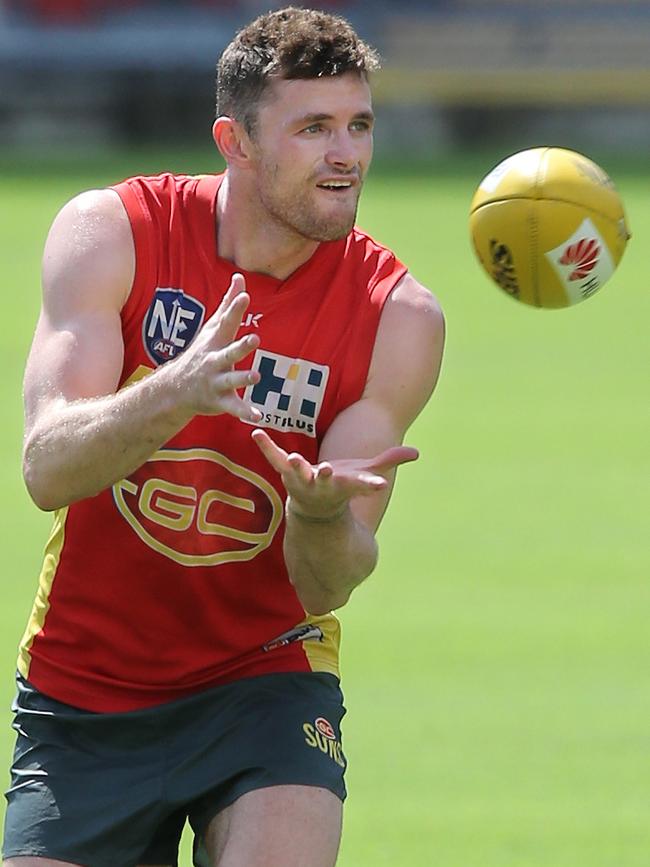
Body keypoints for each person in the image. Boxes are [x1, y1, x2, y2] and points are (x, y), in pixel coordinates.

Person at [2, 6, 445, 867]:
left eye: (358, 125)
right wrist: (175, 390)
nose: (345, 154)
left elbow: (330, 581)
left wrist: (318, 516)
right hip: (85, 688)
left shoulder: (397, 315)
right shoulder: (115, 235)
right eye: (313, 128)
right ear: (233, 141)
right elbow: (45, 467)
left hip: (265, 679)